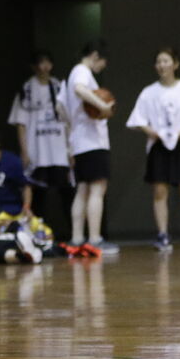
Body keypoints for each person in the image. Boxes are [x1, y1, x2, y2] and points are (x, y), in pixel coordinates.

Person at [124, 48, 180, 251]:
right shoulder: (149, 92)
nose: (162, 65)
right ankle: (162, 234)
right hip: (158, 146)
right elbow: (137, 119)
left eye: (166, 61)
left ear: (175, 64)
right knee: (160, 192)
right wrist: (150, 131)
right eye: (159, 61)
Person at [8, 50, 72, 238]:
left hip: (59, 150)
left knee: (66, 192)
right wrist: (24, 151)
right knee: (38, 194)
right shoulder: (27, 89)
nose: (44, 67)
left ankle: (72, 234)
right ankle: (38, 234)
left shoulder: (59, 87)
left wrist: (70, 149)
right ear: (34, 66)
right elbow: (20, 122)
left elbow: (68, 120)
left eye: (47, 63)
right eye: (40, 63)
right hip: (37, 150)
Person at [62, 41, 116, 258]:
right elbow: (79, 89)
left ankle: (77, 239)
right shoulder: (81, 71)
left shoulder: (72, 73)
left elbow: (61, 107)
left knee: (83, 189)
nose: (103, 66)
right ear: (95, 56)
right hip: (92, 142)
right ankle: (95, 239)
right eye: (103, 61)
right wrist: (102, 106)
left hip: (80, 141)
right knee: (97, 189)